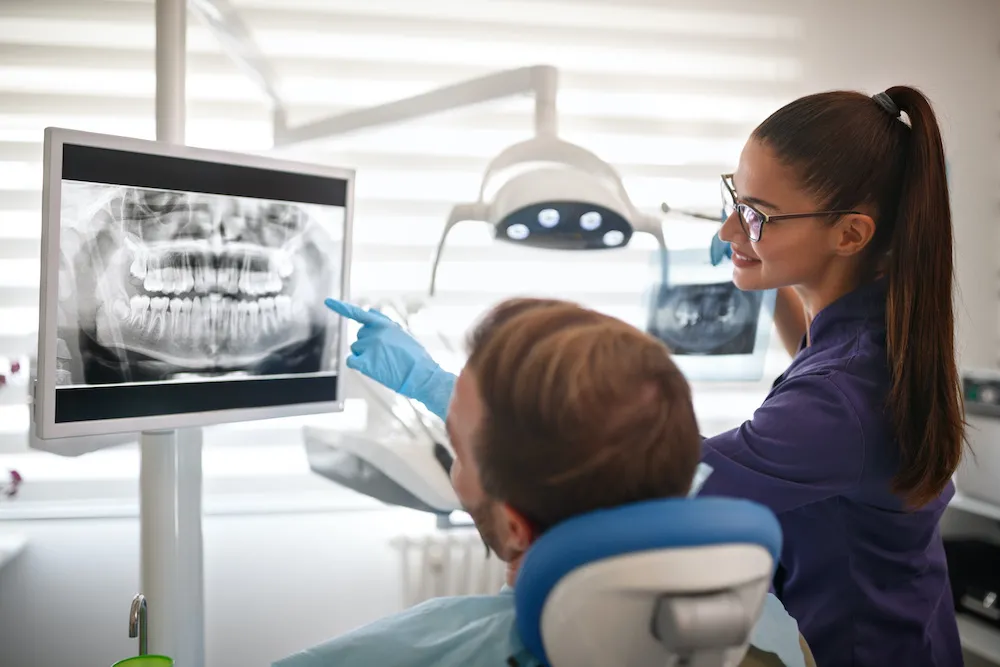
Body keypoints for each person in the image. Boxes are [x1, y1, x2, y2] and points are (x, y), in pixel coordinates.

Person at [323, 85, 967, 667]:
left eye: (757, 216)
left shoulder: (841, 400)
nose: (727, 229)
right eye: (733, 200)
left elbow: (639, 478)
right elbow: (818, 353)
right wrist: (761, 274)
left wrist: (440, 388)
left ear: (851, 234)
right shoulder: (878, 334)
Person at [277, 298, 810, 667]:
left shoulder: (417, 650)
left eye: (456, 451)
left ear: (513, 528)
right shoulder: (763, 628)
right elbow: (597, 428)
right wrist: (429, 382)